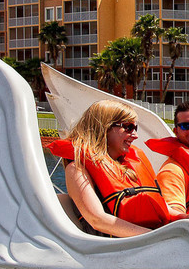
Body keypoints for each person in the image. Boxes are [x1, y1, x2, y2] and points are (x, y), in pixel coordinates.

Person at [47, 99, 176, 237]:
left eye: (135, 128)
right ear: (104, 128)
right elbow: (97, 219)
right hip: (115, 246)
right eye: (128, 127)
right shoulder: (76, 169)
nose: (135, 135)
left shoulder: (130, 165)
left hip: (149, 238)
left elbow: (158, 204)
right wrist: (154, 236)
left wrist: (185, 217)